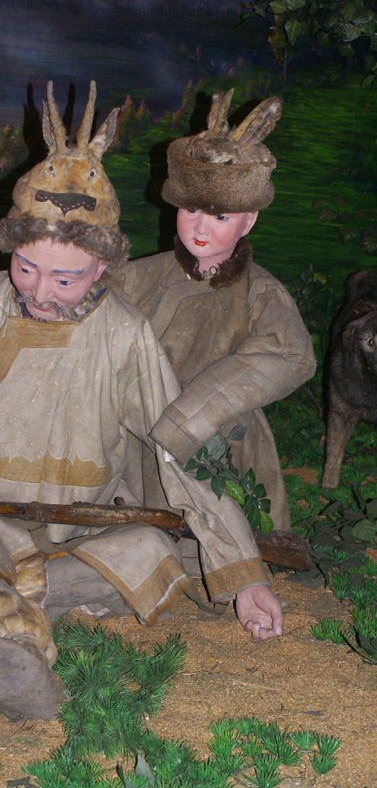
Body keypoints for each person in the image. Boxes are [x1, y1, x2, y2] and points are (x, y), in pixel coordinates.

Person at [0, 82, 283, 723]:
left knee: (151, 553)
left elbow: (180, 453)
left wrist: (243, 570)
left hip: (84, 530)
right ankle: (6, 626)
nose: (40, 291)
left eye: (65, 278)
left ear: (102, 267)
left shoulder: (125, 334)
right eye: (24, 267)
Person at [114, 88, 316, 571]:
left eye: (220, 216)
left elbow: (290, 355)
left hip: (224, 440)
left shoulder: (260, 293)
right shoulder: (136, 278)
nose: (201, 227)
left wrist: (193, 416)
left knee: (226, 539)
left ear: (248, 221)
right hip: (138, 439)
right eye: (191, 210)